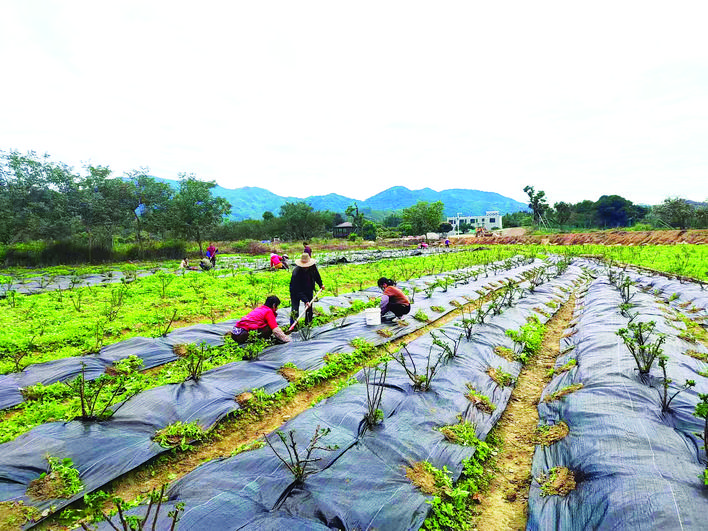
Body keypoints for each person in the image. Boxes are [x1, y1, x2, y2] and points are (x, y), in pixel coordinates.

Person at [290, 253, 324, 326]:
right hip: (295, 291)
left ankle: (308, 323)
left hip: (308, 288)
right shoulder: (296, 273)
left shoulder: (312, 267)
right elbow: (297, 290)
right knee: (295, 308)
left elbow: (316, 276)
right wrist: (305, 300)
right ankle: (294, 325)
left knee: (309, 307)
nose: (306, 267)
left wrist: (320, 284)